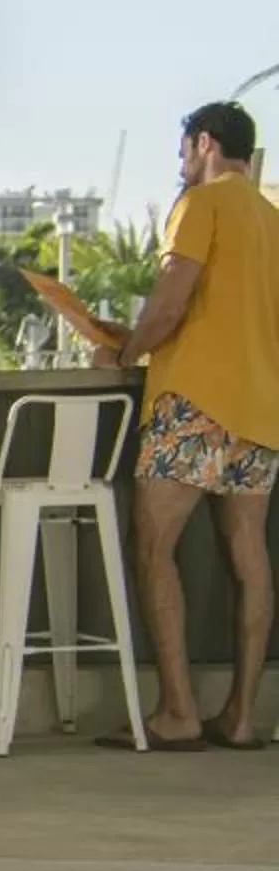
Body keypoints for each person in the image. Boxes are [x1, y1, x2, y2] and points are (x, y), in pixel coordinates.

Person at [100, 101, 279, 750]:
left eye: (182, 151)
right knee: (250, 559)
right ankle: (241, 717)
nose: (180, 164)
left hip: (194, 400)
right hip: (262, 409)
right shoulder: (270, 217)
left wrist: (124, 349)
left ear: (205, 143)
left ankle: (176, 711)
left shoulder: (201, 204)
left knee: (153, 547)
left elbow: (172, 300)